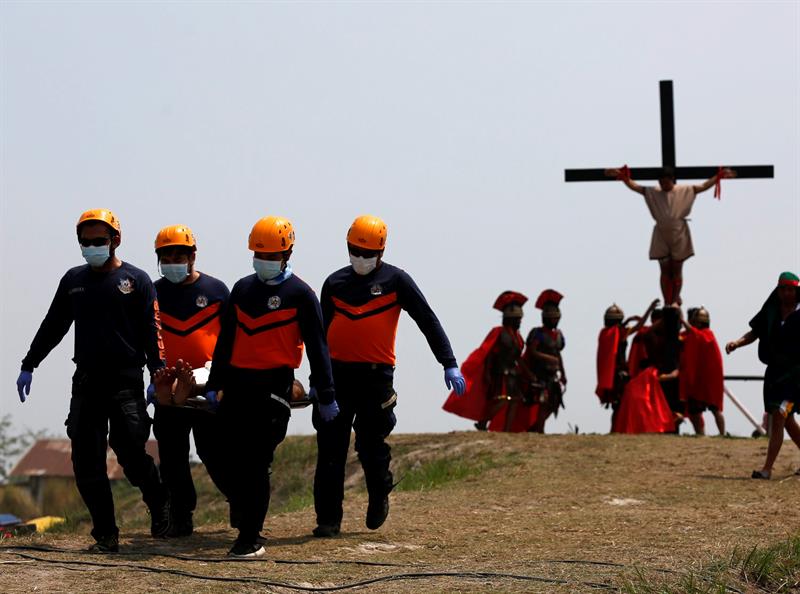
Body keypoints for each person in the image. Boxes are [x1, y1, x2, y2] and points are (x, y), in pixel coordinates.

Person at [15, 209, 169, 553]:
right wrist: (30, 363)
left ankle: (160, 503)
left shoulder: (138, 281)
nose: (92, 247)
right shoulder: (73, 281)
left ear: (115, 240)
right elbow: (53, 325)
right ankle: (105, 534)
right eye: (85, 242)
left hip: (127, 381)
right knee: (86, 462)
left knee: (129, 450)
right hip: (87, 382)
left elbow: (152, 330)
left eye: (99, 241)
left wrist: (157, 373)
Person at [313, 215, 465, 538]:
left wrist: (448, 361)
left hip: (375, 377)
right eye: (355, 250)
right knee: (330, 449)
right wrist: (318, 381)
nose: (360, 258)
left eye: (367, 253)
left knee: (371, 444)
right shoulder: (334, 284)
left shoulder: (398, 281)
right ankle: (328, 519)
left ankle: (379, 493)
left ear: (381, 252)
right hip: (337, 377)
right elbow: (319, 338)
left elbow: (428, 319)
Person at [204, 216, 338, 557]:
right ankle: (242, 509)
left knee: (255, 460)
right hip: (237, 385)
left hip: (274, 387)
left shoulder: (301, 295)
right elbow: (225, 342)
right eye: (258, 253)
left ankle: (249, 538)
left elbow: (318, 348)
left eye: (271, 254)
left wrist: (326, 393)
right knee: (225, 457)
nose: (263, 260)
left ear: (288, 252)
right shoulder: (242, 289)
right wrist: (215, 384)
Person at [150, 225, 231, 537]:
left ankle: (243, 504)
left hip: (207, 389)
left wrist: (224, 382)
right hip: (169, 390)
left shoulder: (217, 291)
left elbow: (231, 340)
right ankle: (180, 515)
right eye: (166, 256)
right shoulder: (152, 293)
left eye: (179, 255)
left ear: (193, 255)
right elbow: (144, 339)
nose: (173, 260)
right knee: (171, 456)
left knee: (215, 452)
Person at [605, 166, 735, 305]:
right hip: (661, 232)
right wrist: (623, 177)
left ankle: (675, 299)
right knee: (664, 269)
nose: (663, 185)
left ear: (672, 180)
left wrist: (718, 176)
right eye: (661, 182)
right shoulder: (653, 191)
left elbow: (703, 186)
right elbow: (635, 186)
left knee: (677, 269)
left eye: (665, 182)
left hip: (679, 233)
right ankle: (667, 300)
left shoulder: (684, 190)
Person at [726, 272, 800, 479]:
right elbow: (754, 332)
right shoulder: (771, 311)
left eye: (791, 289)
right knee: (786, 420)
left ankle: (767, 469)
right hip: (775, 375)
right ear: (778, 290)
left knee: (779, 416)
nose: (787, 293)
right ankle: (768, 467)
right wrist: (737, 343)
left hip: (795, 378)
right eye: (784, 289)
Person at [443, 291, 533, 432]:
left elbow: (518, 358)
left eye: (519, 319)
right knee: (503, 399)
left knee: (515, 401)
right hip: (499, 373)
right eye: (516, 319)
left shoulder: (518, 337)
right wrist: (487, 374)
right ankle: (482, 422)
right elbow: (488, 353)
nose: (519, 321)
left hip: (513, 375)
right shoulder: (498, 332)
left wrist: (528, 374)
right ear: (509, 318)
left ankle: (507, 431)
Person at [525, 290, 566, 433]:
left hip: (552, 374)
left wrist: (563, 373)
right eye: (552, 318)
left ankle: (536, 427)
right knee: (542, 402)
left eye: (556, 318)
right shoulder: (538, 333)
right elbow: (532, 351)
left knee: (553, 403)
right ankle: (539, 430)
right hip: (539, 373)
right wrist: (548, 358)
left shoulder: (558, 335)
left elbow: (558, 354)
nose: (555, 320)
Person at [679, 307, 725, 436]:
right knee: (694, 411)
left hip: (708, 381)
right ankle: (700, 434)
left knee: (715, 409)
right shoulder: (695, 335)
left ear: (699, 322)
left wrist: (681, 318)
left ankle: (722, 434)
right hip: (699, 381)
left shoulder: (706, 334)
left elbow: (694, 333)